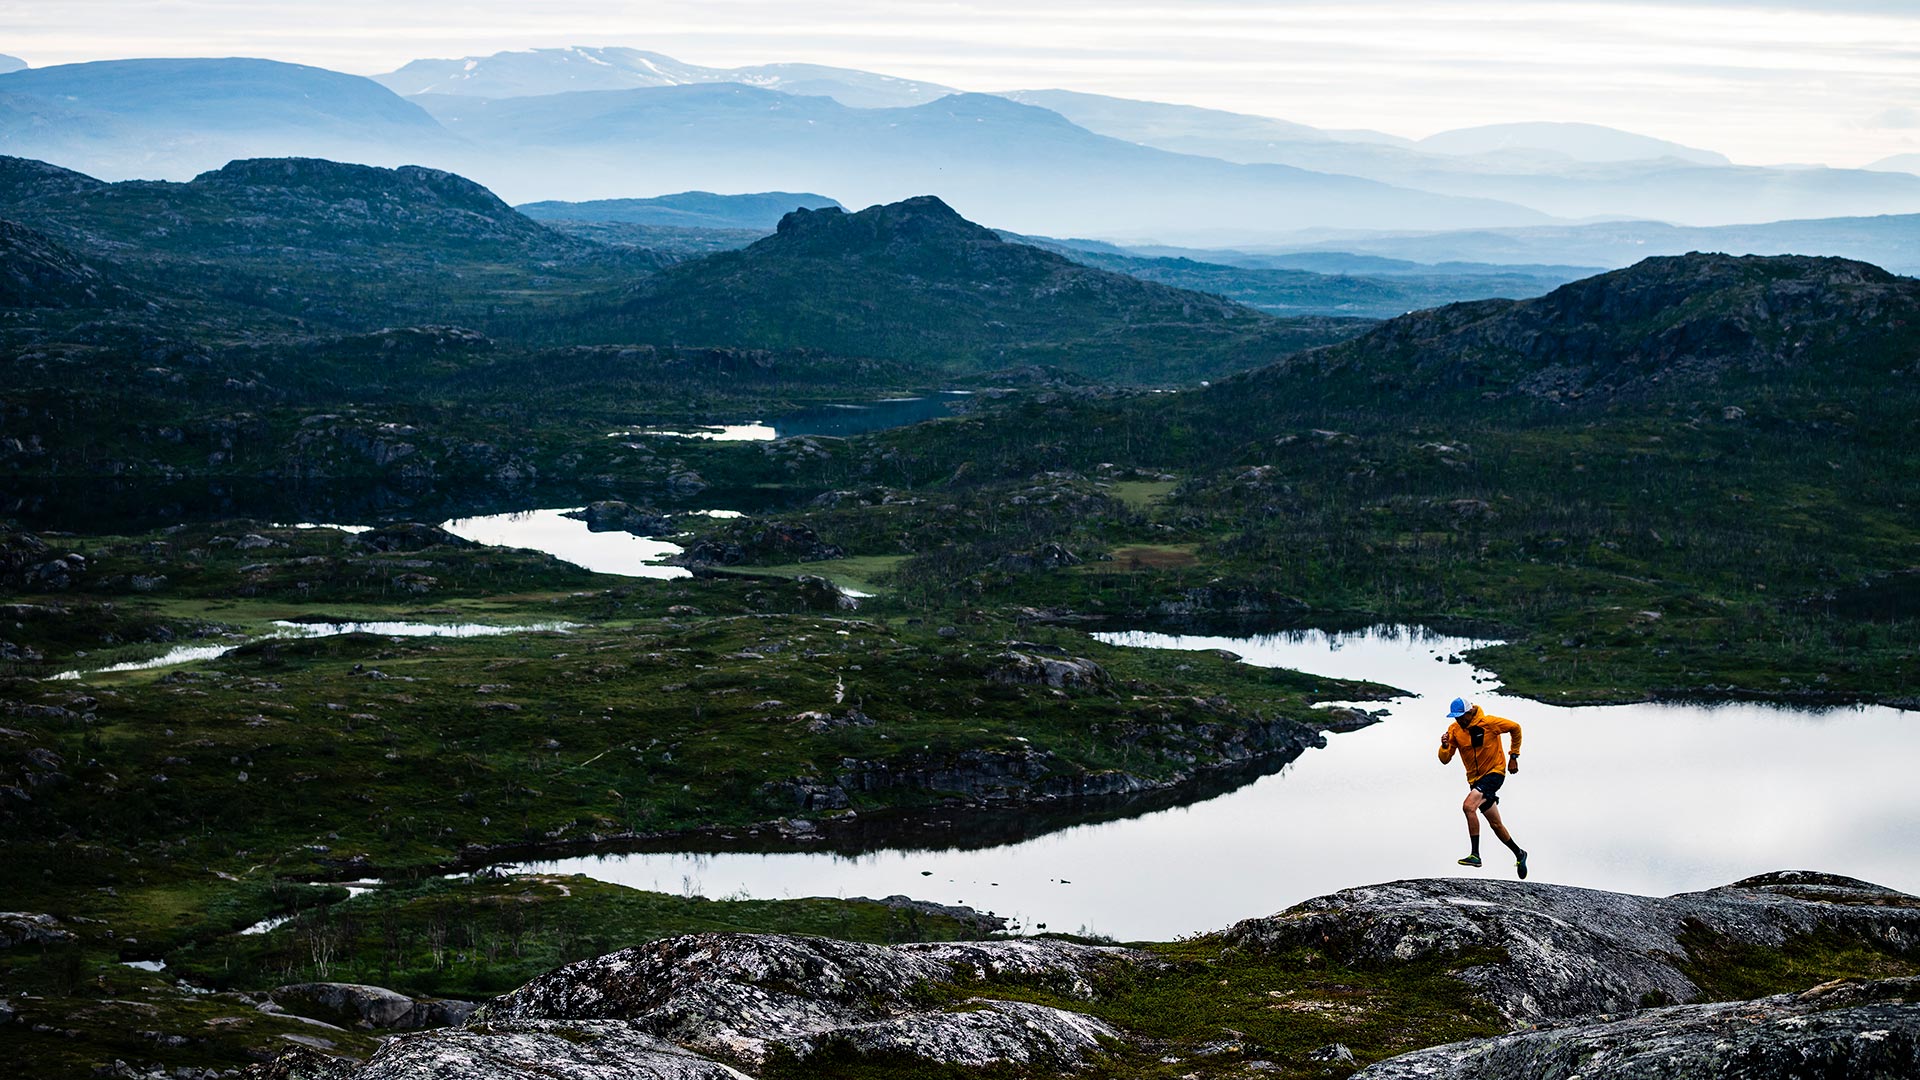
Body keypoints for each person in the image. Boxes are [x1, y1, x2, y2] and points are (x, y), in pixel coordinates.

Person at [1437, 696, 1529, 878]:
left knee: (1468, 806)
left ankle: (1475, 855)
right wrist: (1444, 746)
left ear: (1469, 712)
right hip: (1475, 780)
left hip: (1495, 772)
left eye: (1460, 716)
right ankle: (1520, 854)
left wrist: (1514, 756)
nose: (1458, 720)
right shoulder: (1454, 730)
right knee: (1495, 824)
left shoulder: (1489, 723)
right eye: (1455, 717)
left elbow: (1515, 728)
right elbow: (1445, 760)